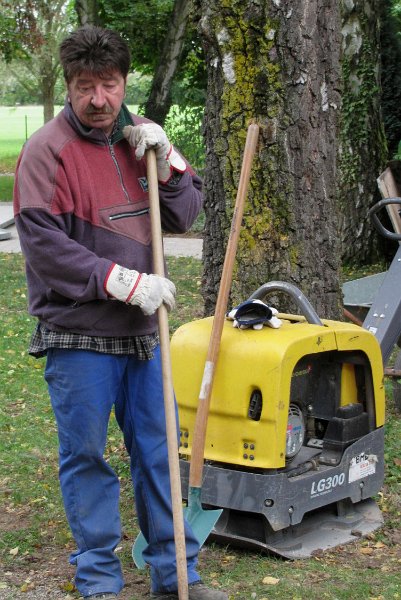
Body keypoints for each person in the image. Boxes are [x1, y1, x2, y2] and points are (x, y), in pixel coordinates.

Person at [13, 25, 228, 600]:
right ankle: (100, 579)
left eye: (109, 84)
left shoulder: (145, 139)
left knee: (158, 453)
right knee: (86, 457)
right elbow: (42, 245)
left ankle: (176, 574)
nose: (99, 99)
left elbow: (185, 212)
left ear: (124, 81)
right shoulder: (46, 152)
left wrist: (166, 166)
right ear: (69, 86)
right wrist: (121, 280)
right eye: (86, 87)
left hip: (144, 334)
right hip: (78, 334)